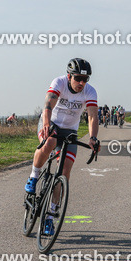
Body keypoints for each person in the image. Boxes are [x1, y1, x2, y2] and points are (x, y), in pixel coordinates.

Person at [24, 58, 100, 235]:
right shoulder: (59, 82)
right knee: (49, 142)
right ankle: (34, 177)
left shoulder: (90, 91)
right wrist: (46, 124)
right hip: (51, 123)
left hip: (70, 131)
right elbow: (48, 104)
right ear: (69, 76)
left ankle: (50, 216)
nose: (81, 82)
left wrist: (93, 137)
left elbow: (92, 116)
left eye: (85, 79)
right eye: (78, 78)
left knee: (65, 171)